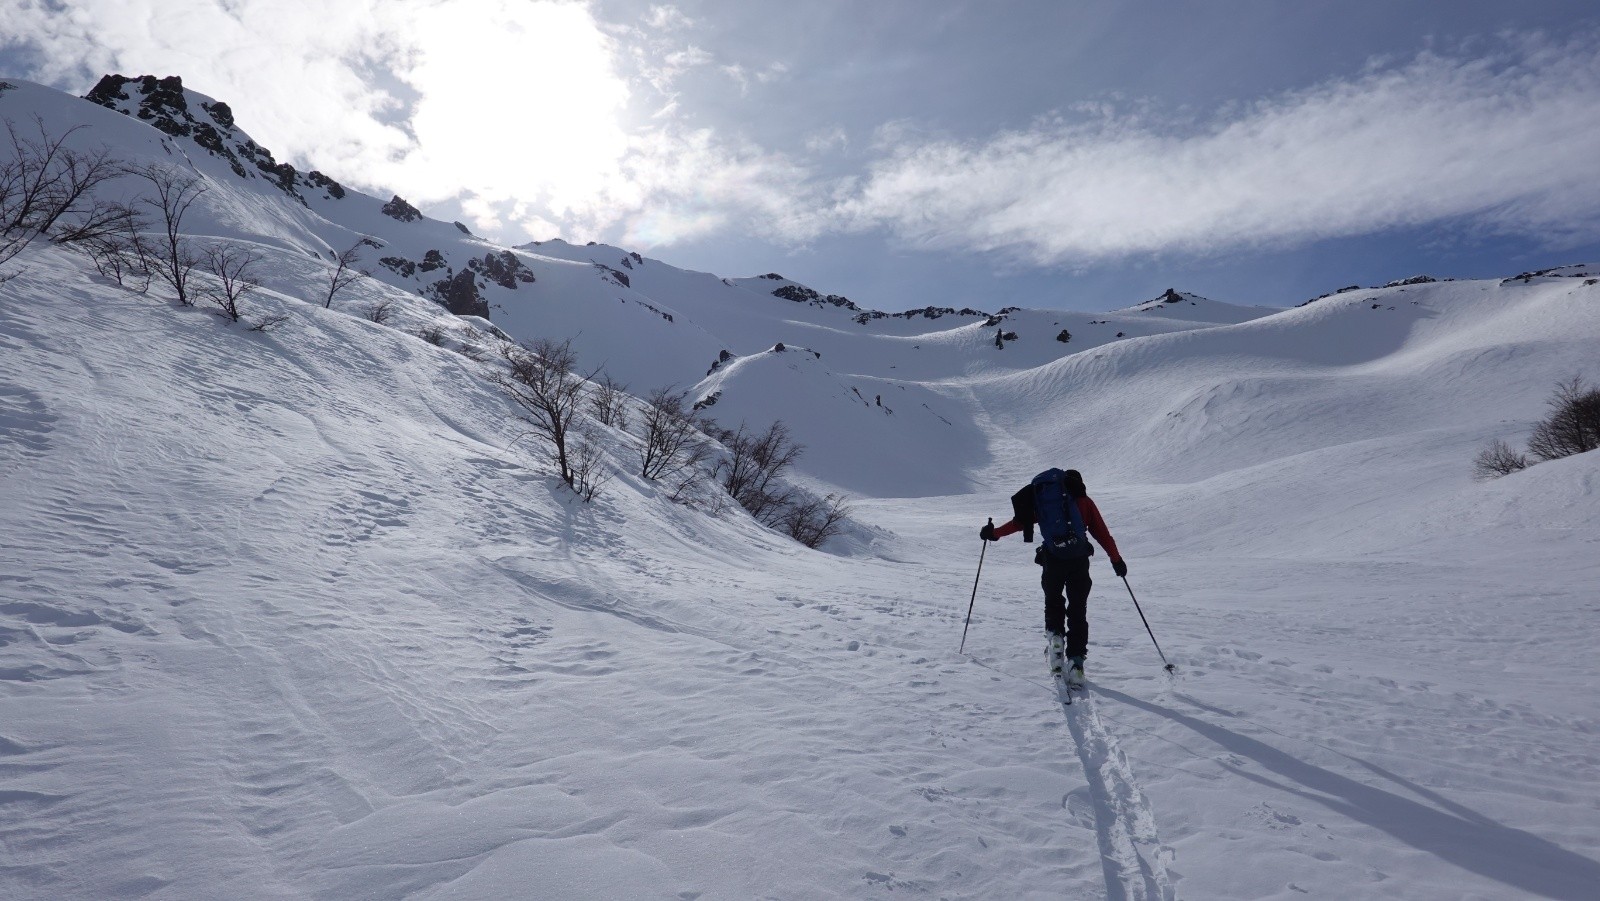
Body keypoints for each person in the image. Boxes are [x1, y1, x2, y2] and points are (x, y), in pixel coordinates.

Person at [979, 469, 1126, 684]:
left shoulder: (1045, 499)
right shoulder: (1084, 501)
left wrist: (993, 533)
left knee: (1053, 601)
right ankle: (1076, 662)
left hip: (1053, 559)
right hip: (1079, 560)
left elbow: (1019, 523)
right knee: (1078, 609)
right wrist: (1116, 560)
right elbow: (1101, 532)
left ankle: (1056, 639)